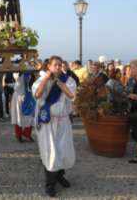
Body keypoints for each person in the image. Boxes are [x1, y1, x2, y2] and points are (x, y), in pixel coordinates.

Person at [32, 56, 76, 197]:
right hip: (47, 122)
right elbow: (37, 95)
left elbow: (71, 95)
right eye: (55, 65)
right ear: (49, 66)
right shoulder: (41, 80)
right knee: (50, 153)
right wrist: (46, 79)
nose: (58, 67)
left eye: (60, 65)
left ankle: (59, 175)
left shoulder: (68, 80)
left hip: (63, 121)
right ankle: (50, 184)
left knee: (63, 151)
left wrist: (57, 81)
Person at [11, 72, 36, 142]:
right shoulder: (18, 73)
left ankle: (27, 134)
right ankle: (18, 135)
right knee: (18, 117)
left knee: (31, 117)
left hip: (30, 97)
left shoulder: (32, 72)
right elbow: (17, 79)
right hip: (19, 98)